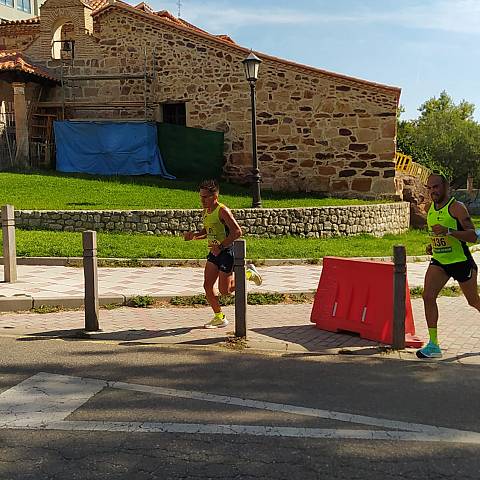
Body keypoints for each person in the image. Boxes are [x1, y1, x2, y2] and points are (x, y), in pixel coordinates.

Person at [184, 179, 263, 329]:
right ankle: (219, 317)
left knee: (225, 291)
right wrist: (194, 235)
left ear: (215, 196)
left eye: (205, 197)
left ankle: (247, 274)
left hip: (227, 252)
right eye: (201, 196)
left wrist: (220, 247)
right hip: (214, 253)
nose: (202, 200)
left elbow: (237, 232)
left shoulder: (222, 210)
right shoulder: (206, 212)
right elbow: (208, 231)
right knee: (207, 286)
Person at [417, 172, 480, 358]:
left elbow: (472, 236)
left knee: (473, 301)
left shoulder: (457, 208)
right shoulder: (430, 208)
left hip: (461, 262)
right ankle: (433, 345)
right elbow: (439, 237)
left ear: (445, 187)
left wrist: (450, 231)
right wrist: (433, 246)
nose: (432, 191)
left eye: (435, 187)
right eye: (429, 188)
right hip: (440, 262)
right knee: (428, 296)